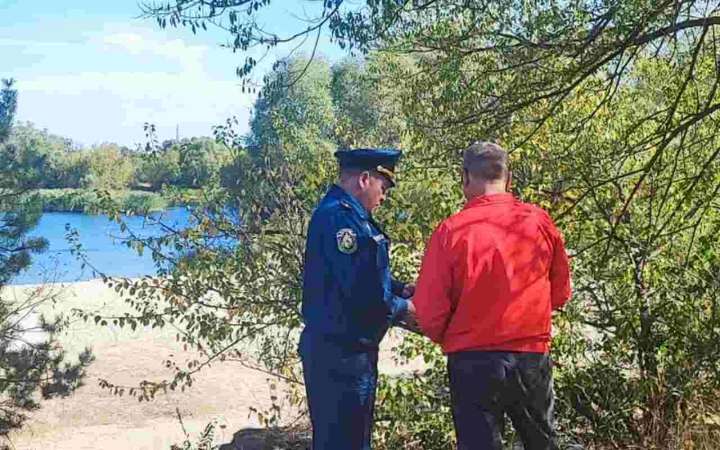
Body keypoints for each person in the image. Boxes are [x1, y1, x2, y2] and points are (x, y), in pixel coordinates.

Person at [413, 142, 571, 450]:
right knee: (542, 444)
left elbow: (430, 313)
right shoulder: (539, 222)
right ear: (508, 178)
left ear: (464, 177)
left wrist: (452, 335)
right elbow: (561, 292)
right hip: (530, 357)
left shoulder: (450, 232)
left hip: (472, 362)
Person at [299, 148, 416, 450]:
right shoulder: (342, 220)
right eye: (383, 186)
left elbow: (360, 274)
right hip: (340, 356)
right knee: (344, 442)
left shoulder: (348, 214)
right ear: (365, 179)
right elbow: (363, 293)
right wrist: (405, 309)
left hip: (345, 352)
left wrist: (401, 288)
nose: (384, 196)